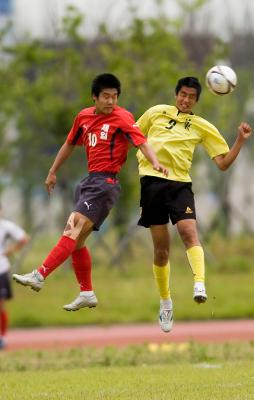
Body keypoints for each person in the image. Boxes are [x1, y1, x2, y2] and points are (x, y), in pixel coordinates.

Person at [13, 73, 168, 312]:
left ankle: (40, 275)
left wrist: (155, 162)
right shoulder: (83, 117)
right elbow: (68, 144)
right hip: (89, 182)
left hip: (105, 183)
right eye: (106, 96)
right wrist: (52, 171)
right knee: (77, 243)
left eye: (115, 96)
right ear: (94, 97)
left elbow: (141, 142)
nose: (111, 101)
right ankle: (86, 292)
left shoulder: (123, 117)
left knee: (72, 227)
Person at [136, 76, 252, 333]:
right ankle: (165, 301)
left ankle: (199, 283)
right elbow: (133, 136)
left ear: (197, 100)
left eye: (191, 97)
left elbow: (222, 164)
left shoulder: (202, 126)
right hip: (152, 184)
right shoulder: (156, 113)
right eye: (182, 94)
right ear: (176, 94)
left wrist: (240, 141)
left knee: (189, 233)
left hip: (179, 186)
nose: (186, 100)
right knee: (161, 251)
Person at [0, 198, 29, 350]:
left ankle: (2, 338)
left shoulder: (5, 226)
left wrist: (11, 250)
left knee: (0, 304)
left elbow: (23, 238)